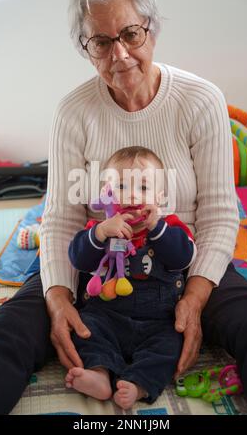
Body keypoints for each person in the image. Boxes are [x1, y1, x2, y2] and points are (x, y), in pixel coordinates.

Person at [0, 0, 247, 415]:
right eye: (102, 41)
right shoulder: (73, 112)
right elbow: (61, 221)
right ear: (86, 48)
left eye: (131, 33)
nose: (121, 54)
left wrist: (194, 297)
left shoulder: (200, 98)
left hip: (183, 261)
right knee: (5, 333)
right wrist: (57, 298)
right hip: (98, 265)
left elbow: (219, 214)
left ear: (152, 29)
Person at [66, 146, 196, 409]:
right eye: (122, 186)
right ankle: (100, 375)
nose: (133, 195)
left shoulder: (169, 227)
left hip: (158, 321)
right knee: (85, 329)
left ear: (160, 198)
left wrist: (157, 228)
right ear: (106, 193)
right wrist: (101, 232)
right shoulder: (99, 229)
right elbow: (78, 259)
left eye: (144, 189)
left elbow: (184, 258)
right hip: (107, 315)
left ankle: (138, 384)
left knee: (171, 345)